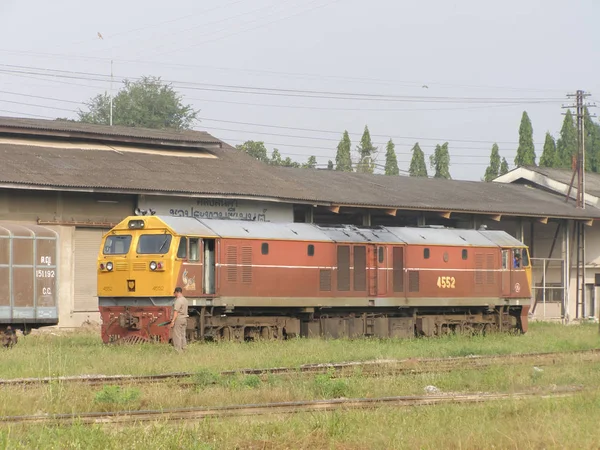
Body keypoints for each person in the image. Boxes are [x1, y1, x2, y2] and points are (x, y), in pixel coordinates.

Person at [170, 287, 188, 352]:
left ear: (177, 292)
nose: (174, 295)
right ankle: (184, 348)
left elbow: (176, 312)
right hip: (184, 319)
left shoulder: (178, 300)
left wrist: (173, 321)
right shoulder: (185, 300)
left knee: (177, 335)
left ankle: (178, 350)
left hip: (178, 319)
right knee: (183, 334)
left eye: (174, 293)